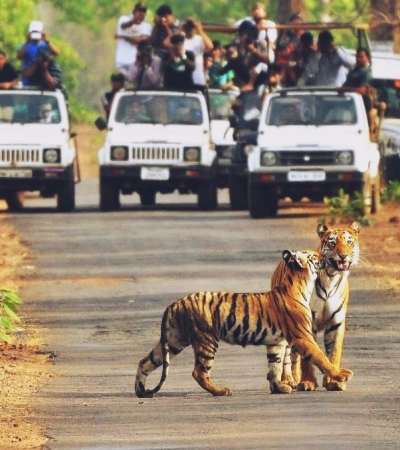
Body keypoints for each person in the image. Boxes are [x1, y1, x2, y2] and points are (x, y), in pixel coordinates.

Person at [114, 2, 152, 75]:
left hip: (136, 64)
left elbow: (139, 41)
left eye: (144, 11)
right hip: (122, 62)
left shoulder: (146, 26)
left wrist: (122, 37)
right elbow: (123, 25)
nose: (141, 13)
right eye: (139, 10)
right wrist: (133, 21)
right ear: (134, 11)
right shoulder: (123, 19)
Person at [17, 20, 59, 86]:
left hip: (44, 76)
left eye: (37, 32)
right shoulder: (25, 45)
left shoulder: (46, 44)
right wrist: (27, 42)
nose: (35, 34)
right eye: (33, 32)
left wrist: (46, 40)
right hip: (28, 78)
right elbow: (19, 56)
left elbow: (56, 52)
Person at [179, 18, 213, 91]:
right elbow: (167, 43)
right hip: (183, 75)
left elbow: (210, 46)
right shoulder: (180, 39)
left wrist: (200, 30)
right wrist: (180, 29)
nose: (189, 29)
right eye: (188, 27)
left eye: (191, 27)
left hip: (197, 76)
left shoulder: (199, 39)